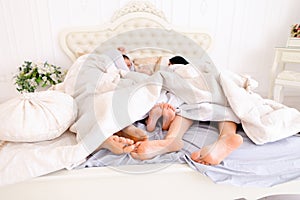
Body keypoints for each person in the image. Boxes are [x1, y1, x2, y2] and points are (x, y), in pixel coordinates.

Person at [131, 56, 244, 165]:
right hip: (216, 93)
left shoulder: (174, 69)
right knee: (226, 111)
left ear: (170, 63)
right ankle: (227, 136)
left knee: (184, 111)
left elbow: (158, 78)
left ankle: (172, 139)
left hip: (192, 96)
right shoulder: (203, 68)